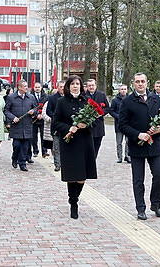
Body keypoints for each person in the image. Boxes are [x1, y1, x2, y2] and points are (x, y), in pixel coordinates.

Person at [119, 73, 160, 220]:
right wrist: (137, 135)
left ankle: (156, 204)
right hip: (137, 145)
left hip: (154, 145)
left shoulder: (156, 99)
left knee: (158, 174)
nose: (140, 84)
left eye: (143, 81)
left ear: (147, 83)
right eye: (137, 82)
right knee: (138, 179)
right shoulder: (127, 101)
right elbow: (122, 125)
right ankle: (140, 208)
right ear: (133, 83)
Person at [52, 75, 98, 219]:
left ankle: (75, 197)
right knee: (72, 175)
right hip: (70, 143)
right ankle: (74, 203)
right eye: (72, 84)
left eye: (78, 84)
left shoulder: (87, 102)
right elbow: (55, 123)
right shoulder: (61, 102)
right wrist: (69, 127)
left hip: (84, 141)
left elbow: (95, 121)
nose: (75, 86)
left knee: (82, 177)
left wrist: (86, 124)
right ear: (68, 86)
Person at [4, 79, 37, 172]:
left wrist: (33, 111)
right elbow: (6, 110)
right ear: (19, 87)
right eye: (25, 86)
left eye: (27, 86)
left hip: (27, 125)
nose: (27, 88)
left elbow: (36, 108)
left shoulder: (31, 97)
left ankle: (22, 163)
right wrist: (12, 117)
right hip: (16, 126)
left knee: (25, 147)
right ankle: (14, 158)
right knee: (17, 145)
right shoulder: (11, 97)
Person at [85, 79, 110, 158]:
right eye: (89, 86)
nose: (91, 87)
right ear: (87, 87)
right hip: (88, 126)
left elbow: (107, 108)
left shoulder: (101, 95)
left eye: (92, 85)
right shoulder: (84, 96)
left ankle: (93, 160)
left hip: (99, 126)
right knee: (88, 147)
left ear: (96, 86)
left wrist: (101, 113)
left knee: (97, 146)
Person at [46, 80, 65, 171]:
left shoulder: (69, 97)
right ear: (57, 87)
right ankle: (57, 164)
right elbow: (48, 110)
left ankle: (65, 163)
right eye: (60, 86)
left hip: (66, 126)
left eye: (64, 87)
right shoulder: (52, 98)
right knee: (56, 146)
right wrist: (55, 116)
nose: (62, 88)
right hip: (56, 125)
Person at [109, 84, 131, 163]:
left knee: (128, 141)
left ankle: (127, 156)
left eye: (125, 89)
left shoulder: (130, 99)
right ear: (119, 90)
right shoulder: (115, 100)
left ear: (127, 90)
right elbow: (111, 111)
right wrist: (119, 117)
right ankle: (119, 157)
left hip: (128, 124)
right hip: (119, 124)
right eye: (122, 89)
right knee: (119, 142)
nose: (123, 91)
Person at [31, 82, 49, 157]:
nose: (37, 89)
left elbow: (47, 107)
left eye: (39, 87)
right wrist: (36, 114)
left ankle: (44, 151)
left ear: (41, 87)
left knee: (43, 136)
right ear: (34, 88)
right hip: (33, 119)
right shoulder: (30, 96)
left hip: (42, 119)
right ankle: (35, 151)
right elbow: (30, 106)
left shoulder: (46, 96)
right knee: (33, 137)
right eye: (36, 87)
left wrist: (42, 114)